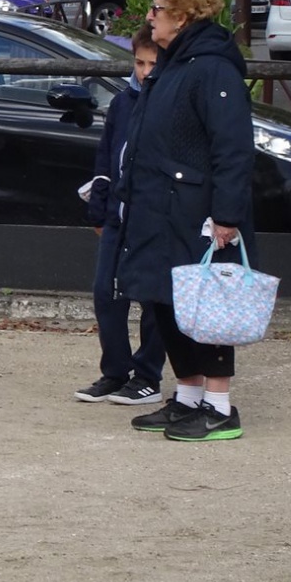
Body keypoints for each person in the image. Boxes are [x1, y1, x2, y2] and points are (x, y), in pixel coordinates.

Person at [113, 0, 256, 441]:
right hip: (159, 202)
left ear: (181, 12)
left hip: (197, 209)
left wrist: (228, 215)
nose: (150, 17)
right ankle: (189, 396)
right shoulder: (174, 61)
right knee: (166, 301)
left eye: (156, 8)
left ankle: (219, 407)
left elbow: (232, 144)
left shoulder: (213, 65)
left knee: (207, 301)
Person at [74, 24, 166, 405]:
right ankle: (115, 371)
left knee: (152, 299)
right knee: (105, 293)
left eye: (152, 63)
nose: (144, 71)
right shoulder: (123, 102)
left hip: (155, 216)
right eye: (139, 63)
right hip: (117, 214)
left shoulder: (168, 99)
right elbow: (107, 155)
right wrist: (100, 206)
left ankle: (148, 375)